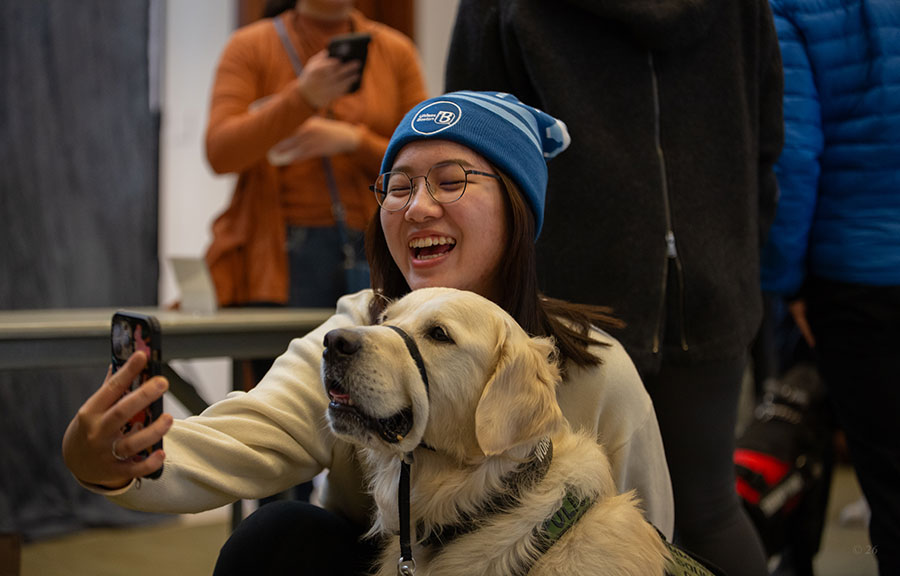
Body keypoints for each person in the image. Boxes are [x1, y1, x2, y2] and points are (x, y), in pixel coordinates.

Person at [62, 92, 674, 576]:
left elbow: (645, 538)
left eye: (451, 180)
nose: (417, 207)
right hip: (384, 560)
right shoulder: (357, 329)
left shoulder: (595, 369)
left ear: (517, 211)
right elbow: (253, 431)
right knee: (279, 538)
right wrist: (119, 460)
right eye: (399, 186)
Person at [444, 0, 784, 575]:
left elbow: (474, 141)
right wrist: (737, 250)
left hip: (567, 292)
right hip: (712, 278)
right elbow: (768, 133)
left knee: (545, 520)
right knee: (710, 510)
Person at [758, 0, 900, 573]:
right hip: (861, 272)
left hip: (858, 281)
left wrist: (784, 282)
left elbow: (792, 157)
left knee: (891, 491)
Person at [204, 0, 427, 311]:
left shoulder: (395, 51)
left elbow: (424, 158)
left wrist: (353, 141)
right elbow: (220, 153)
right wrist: (302, 97)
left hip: (376, 243)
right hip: (278, 253)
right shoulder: (251, 46)